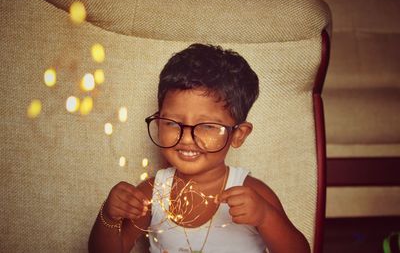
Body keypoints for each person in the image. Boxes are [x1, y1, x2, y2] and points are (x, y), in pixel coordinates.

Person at [89, 44, 310, 253]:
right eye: (172, 123)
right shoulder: (153, 192)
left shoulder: (253, 192)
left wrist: (265, 217)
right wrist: (109, 217)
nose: (186, 138)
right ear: (158, 124)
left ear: (238, 135)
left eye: (207, 127)